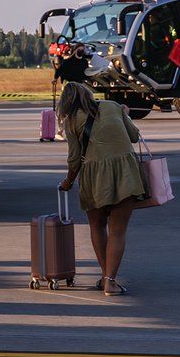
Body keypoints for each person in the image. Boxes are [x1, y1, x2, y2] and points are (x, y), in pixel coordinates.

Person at [54, 81, 147, 295]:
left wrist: (68, 182)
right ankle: (110, 281)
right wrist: (125, 113)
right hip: (125, 173)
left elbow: (74, 159)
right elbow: (134, 136)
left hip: (93, 177)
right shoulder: (113, 106)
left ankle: (106, 277)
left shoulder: (70, 122)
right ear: (88, 94)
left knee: (97, 226)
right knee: (117, 231)